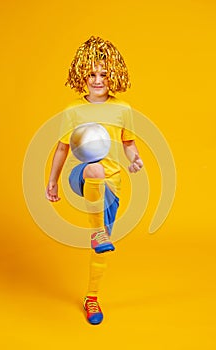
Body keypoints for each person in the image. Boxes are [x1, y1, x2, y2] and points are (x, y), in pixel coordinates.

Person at [45, 36, 143, 325]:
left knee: (101, 251)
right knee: (95, 169)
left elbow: (128, 143)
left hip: (113, 183)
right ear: (81, 75)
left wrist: (135, 158)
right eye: (92, 74)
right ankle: (98, 231)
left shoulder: (123, 109)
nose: (97, 80)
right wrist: (52, 181)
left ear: (112, 74)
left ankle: (91, 297)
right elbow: (62, 147)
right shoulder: (72, 111)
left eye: (103, 74)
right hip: (84, 177)